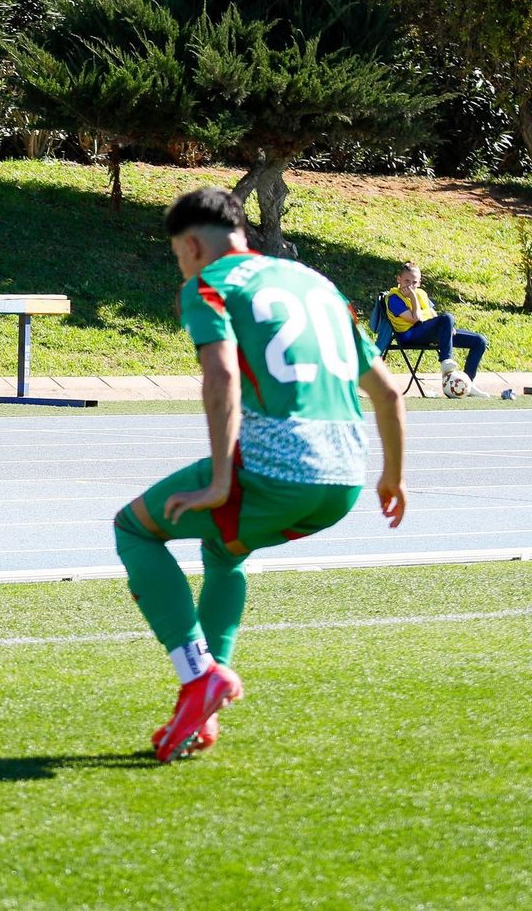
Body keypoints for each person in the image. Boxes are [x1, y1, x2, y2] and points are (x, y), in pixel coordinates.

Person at [113, 186, 407, 762]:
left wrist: (221, 479)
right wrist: (391, 477)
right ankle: (201, 702)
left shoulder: (210, 285)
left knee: (134, 528)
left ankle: (198, 675)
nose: (181, 267)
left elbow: (220, 378)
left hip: (276, 468)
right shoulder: (317, 285)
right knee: (225, 551)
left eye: (178, 256)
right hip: (344, 478)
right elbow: (390, 391)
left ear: (193, 245)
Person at [386, 261, 490, 392]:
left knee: (480, 341)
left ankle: (466, 383)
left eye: (414, 283)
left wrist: (447, 328)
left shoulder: (421, 294)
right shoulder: (394, 298)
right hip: (411, 335)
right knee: (447, 317)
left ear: (419, 283)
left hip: (428, 331)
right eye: (407, 281)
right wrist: (412, 296)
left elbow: (433, 315)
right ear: (398, 279)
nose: (411, 286)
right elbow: (415, 319)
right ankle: (446, 360)